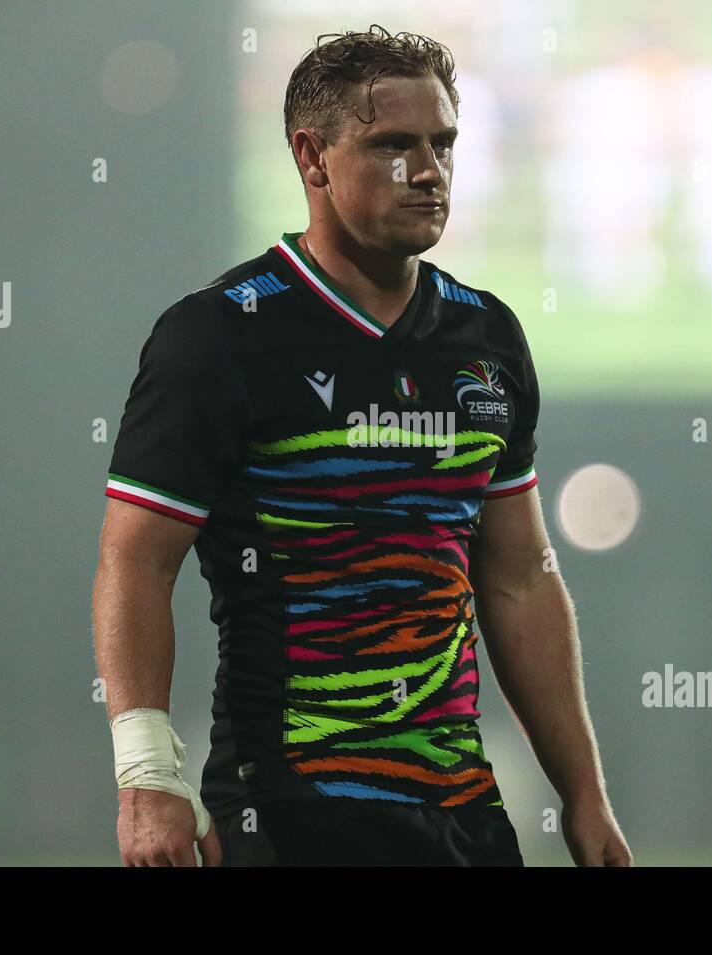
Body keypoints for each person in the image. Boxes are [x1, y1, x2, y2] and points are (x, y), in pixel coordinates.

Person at [92, 24, 632, 867]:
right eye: (393, 146)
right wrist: (147, 776)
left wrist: (584, 794)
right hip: (289, 805)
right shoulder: (220, 335)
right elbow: (136, 562)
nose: (429, 170)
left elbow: (520, 576)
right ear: (313, 159)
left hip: (462, 813)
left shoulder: (486, 337)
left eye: (443, 144)